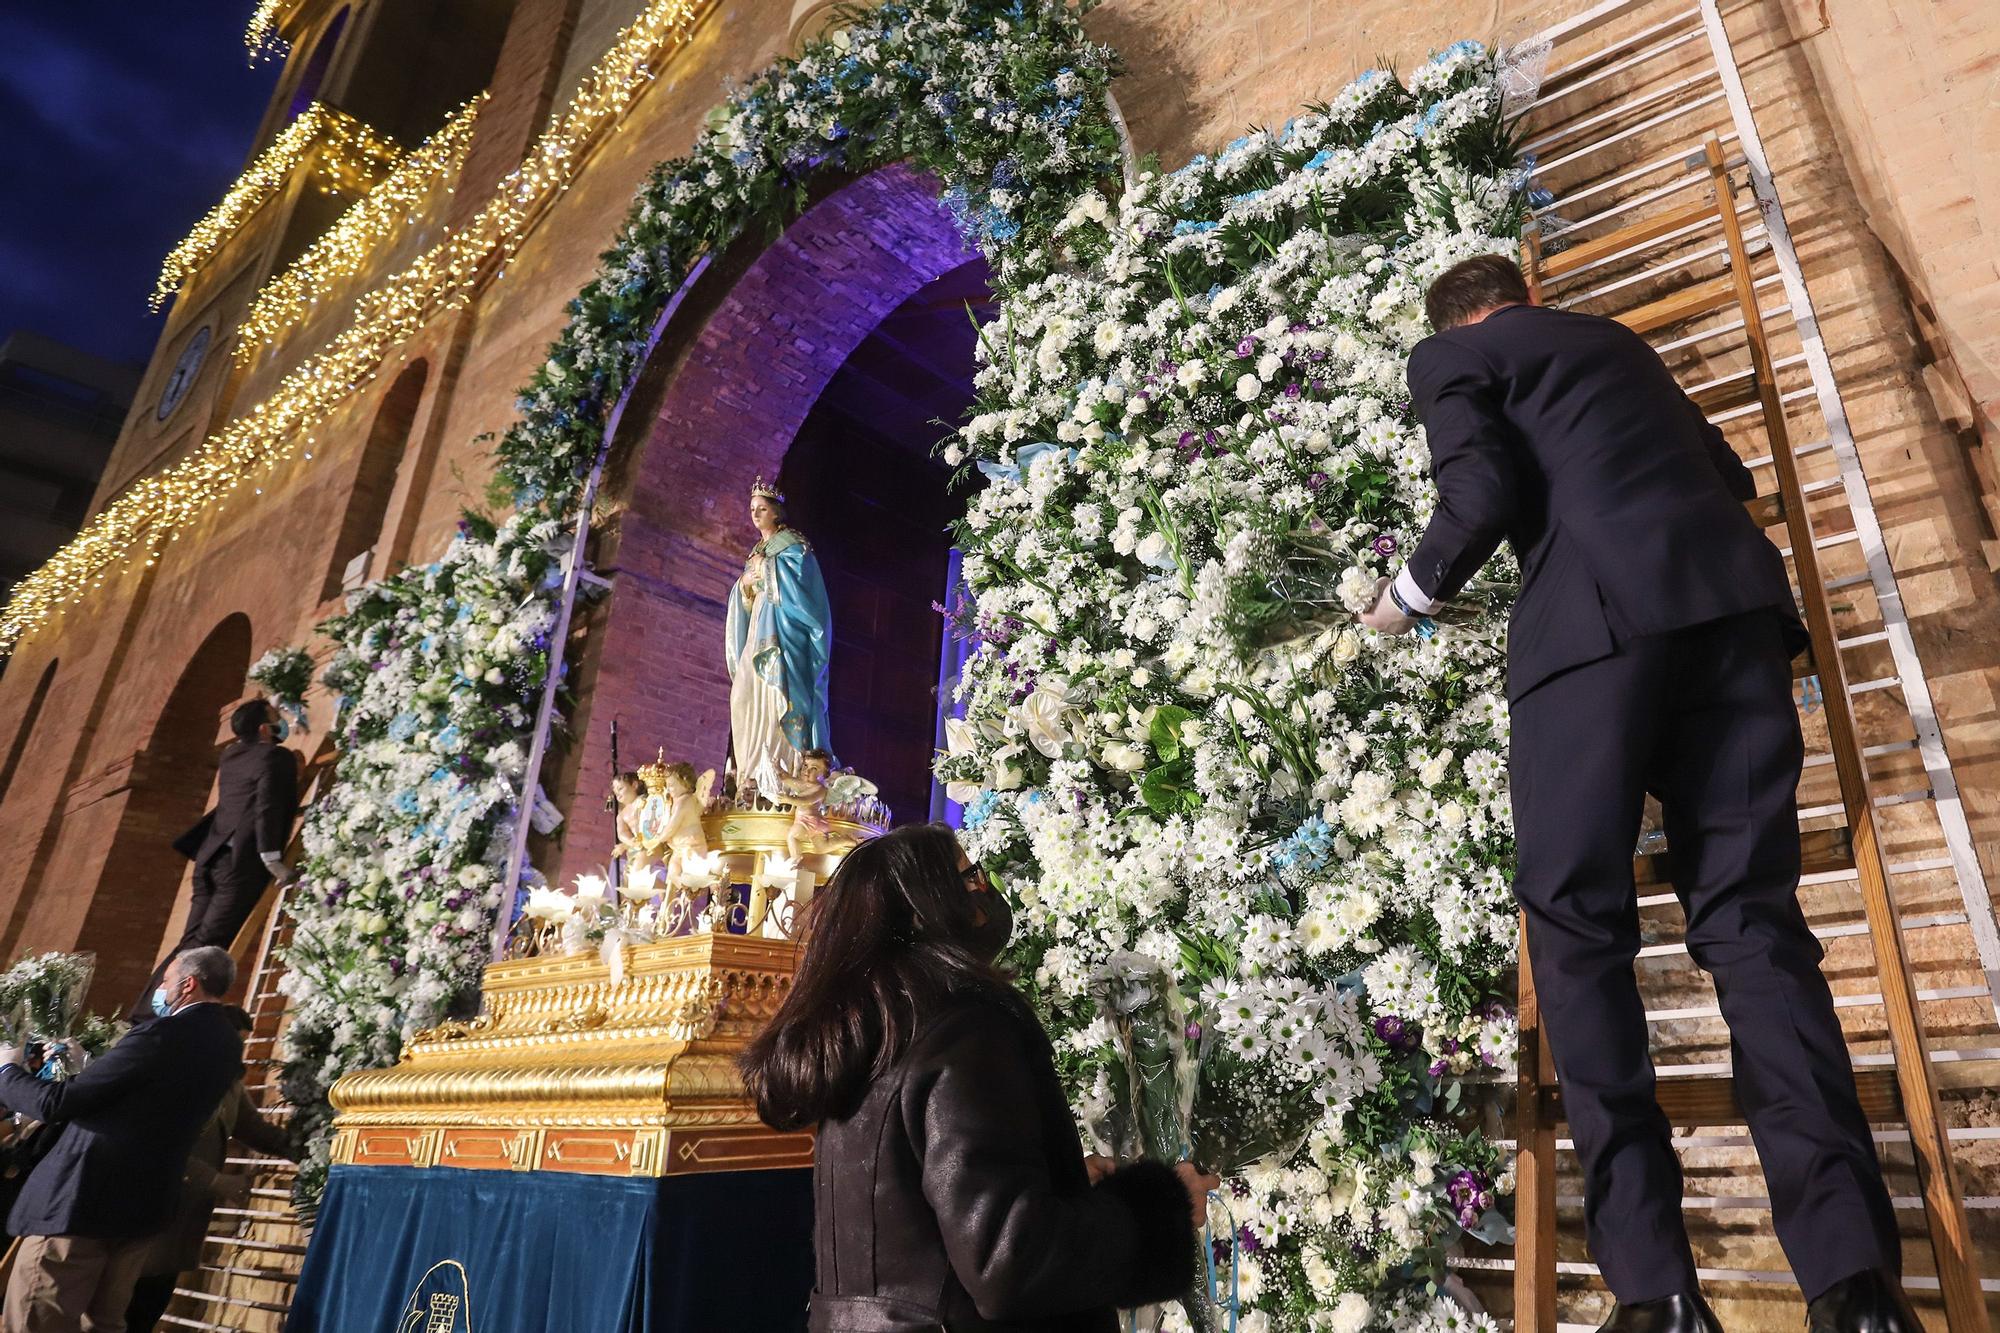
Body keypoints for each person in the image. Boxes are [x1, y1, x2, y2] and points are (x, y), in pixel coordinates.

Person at [1360, 255, 1911, 1333]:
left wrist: (1401, 599)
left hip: (1593, 631)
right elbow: (1731, 478)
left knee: (1575, 931)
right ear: (1523, 290)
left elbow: (1479, 491)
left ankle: (1655, 1287)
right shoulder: (1620, 347)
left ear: (1460, 318)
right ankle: (1853, 1281)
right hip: (1734, 618)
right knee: (1753, 927)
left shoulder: (1453, 351)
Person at [740, 823, 1213, 1332]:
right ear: (924, 911)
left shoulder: (874, 1035)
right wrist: (1159, 1210)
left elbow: (919, 1216)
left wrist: (1061, 1184)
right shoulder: (965, 1028)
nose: (985, 891)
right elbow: (1009, 1260)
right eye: (971, 878)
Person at [0, 947, 246, 1332]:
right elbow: (148, 1107)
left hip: (82, 1204)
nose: (159, 991)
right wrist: (92, 1071)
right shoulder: (227, 1044)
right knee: (106, 1322)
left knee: (37, 1318)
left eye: (164, 982)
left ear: (188, 984)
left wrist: (6, 1070)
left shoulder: (161, 1034)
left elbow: (55, 1103)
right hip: (141, 1210)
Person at [124, 1007, 296, 1333]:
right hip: (145, 1218)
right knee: (116, 1315)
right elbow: (158, 1146)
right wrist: (216, 1181)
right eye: (234, 1044)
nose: (238, 1054)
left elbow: (257, 1131)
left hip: (178, 1229)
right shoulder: (175, 1077)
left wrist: (312, 1149)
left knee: (146, 1312)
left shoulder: (230, 1084)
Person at [142, 700, 299, 1014]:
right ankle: (162, 1016)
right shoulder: (275, 757)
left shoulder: (230, 756)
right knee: (208, 944)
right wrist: (275, 863)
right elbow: (266, 809)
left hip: (209, 858)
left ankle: (151, 1009)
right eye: (274, 718)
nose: (281, 723)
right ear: (264, 729)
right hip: (239, 864)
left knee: (192, 941)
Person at [725, 478, 833, 799]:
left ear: (776, 513)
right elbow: (745, 593)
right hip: (758, 627)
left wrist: (768, 570)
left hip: (783, 636)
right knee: (743, 695)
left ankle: (776, 779)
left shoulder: (794, 545)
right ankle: (750, 773)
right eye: (752, 509)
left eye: (762, 509)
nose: (756, 514)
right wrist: (746, 582)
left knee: (777, 699)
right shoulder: (756, 551)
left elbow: (806, 598)